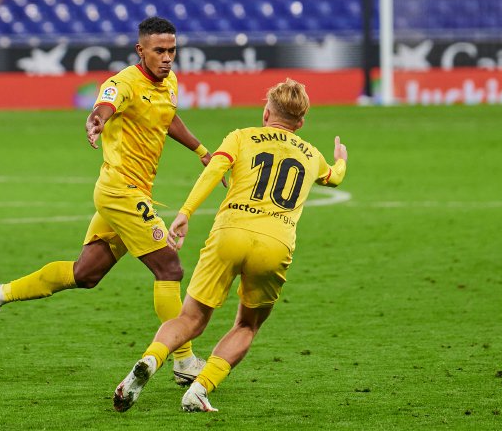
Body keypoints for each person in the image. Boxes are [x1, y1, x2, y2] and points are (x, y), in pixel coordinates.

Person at [0, 17, 220, 385]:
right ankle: (184, 361)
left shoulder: (169, 83)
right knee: (169, 269)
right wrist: (97, 120)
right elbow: (105, 106)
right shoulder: (122, 83)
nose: (168, 58)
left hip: (127, 193)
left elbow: (167, 118)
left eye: (172, 50)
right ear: (141, 51)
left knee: (85, 273)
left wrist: (201, 150)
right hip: (121, 191)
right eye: (159, 51)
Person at [113, 78, 348, 413]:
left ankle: (151, 360)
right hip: (276, 242)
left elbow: (213, 172)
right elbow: (335, 177)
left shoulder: (241, 137)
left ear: (266, 112)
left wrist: (185, 213)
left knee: (191, 317)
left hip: (230, 233)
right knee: (247, 325)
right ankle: (200, 388)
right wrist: (341, 159)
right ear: (301, 122)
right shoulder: (312, 155)